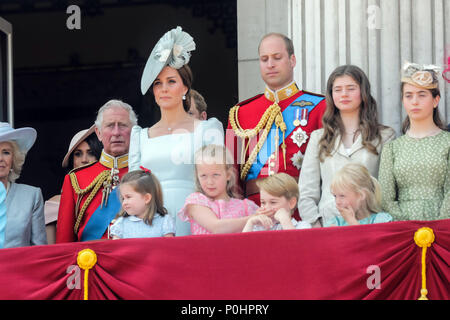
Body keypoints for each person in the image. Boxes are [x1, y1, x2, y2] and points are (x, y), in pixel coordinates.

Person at [130, 26, 224, 236]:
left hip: (197, 220)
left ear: (185, 88)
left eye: (171, 81)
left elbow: (221, 183)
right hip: (151, 223)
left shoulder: (208, 129)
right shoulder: (140, 137)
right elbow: (132, 190)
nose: (163, 88)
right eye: (157, 83)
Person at [226, 32, 327, 220]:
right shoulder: (240, 113)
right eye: (264, 59)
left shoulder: (319, 107)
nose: (270, 64)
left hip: (300, 209)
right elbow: (232, 176)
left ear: (292, 60)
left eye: (277, 58)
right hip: (254, 211)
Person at [298, 65, 396, 227]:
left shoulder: (384, 136)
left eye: (351, 88)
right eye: (337, 89)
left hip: (370, 225)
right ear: (331, 95)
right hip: (327, 226)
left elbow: (387, 189)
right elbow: (306, 192)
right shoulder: (318, 138)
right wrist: (316, 225)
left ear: (363, 92)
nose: (344, 94)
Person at [56, 99, 137, 242]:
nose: (116, 132)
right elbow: (64, 240)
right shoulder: (75, 179)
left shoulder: (144, 174)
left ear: (134, 131)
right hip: (89, 261)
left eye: (123, 125)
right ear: (99, 133)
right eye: (110, 126)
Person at [378, 61, 450, 221]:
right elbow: (385, 199)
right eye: (409, 95)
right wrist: (406, 226)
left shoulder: (447, 142)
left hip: (444, 228)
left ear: (436, 100)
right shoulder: (392, 148)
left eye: (422, 94)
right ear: (403, 101)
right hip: (402, 231)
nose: (415, 101)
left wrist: (438, 227)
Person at [178, 144, 259, 235]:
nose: (210, 182)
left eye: (215, 175)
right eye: (203, 176)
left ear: (228, 175)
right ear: (197, 176)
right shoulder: (195, 201)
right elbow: (216, 228)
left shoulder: (246, 207)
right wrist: (253, 219)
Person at [44, 124, 102, 244]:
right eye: (78, 154)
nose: (84, 160)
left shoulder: (111, 195)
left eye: (91, 153)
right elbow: (51, 251)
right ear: (72, 161)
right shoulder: (54, 203)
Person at [0, 122, 47, 248]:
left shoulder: (31, 196)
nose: (1, 158)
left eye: (6, 152)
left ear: (14, 158)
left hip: (19, 267)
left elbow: (39, 251)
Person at [109, 167, 175, 239]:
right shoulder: (121, 224)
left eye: (128, 197)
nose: (124, 202)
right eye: (123, 198)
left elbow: (169, 247)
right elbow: (116, 249)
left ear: (146, 198)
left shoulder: (164, 221)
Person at [323, 163, 392, 227]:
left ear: (361, 195)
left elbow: (370, 240)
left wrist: (352, 222)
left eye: (342, 196)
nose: (337, 202)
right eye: (335, 196)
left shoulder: (381, 221)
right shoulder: (336, 223)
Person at [242, 173, 311, 232]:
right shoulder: (257, 227)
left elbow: (297, 245)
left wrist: (285, 222)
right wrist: (250, 222)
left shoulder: (302, 227)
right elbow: (242, 246)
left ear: (291, 203)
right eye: (263, 202)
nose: (266, 207)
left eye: (273, 202)